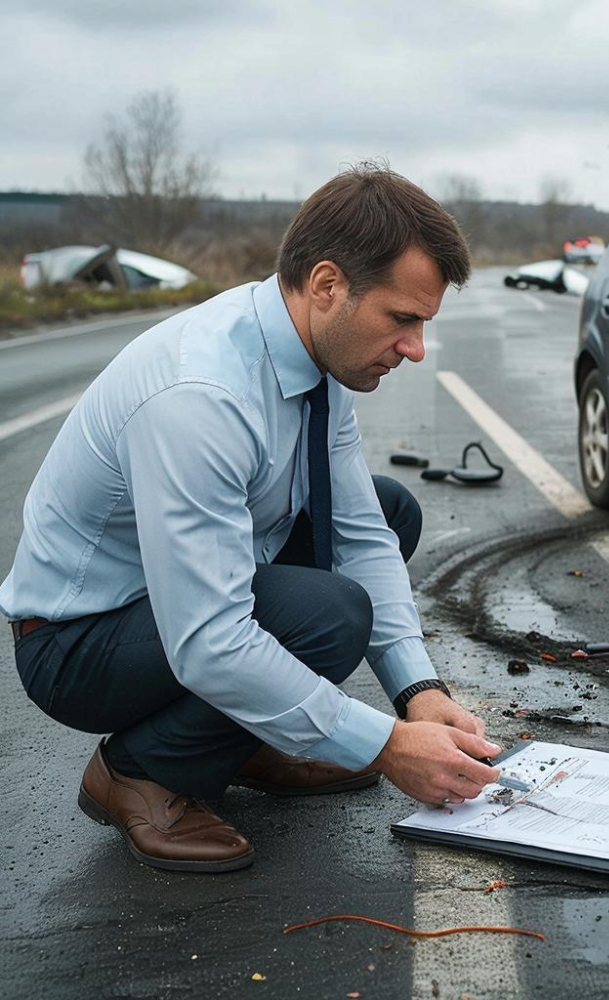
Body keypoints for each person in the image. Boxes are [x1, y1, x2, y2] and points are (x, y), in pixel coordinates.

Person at [0, 164, 502, 873]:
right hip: (78, 643)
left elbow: (360, 532)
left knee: (391, 511)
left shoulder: (316, 353)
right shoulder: (200, 394)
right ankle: (138, 772)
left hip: (174, 604)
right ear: (327, 285)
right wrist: (386, 746)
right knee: (330, 614)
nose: (416, 348)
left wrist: (418, 692)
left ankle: (246, 740)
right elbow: (210, 639)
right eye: (402, 318)